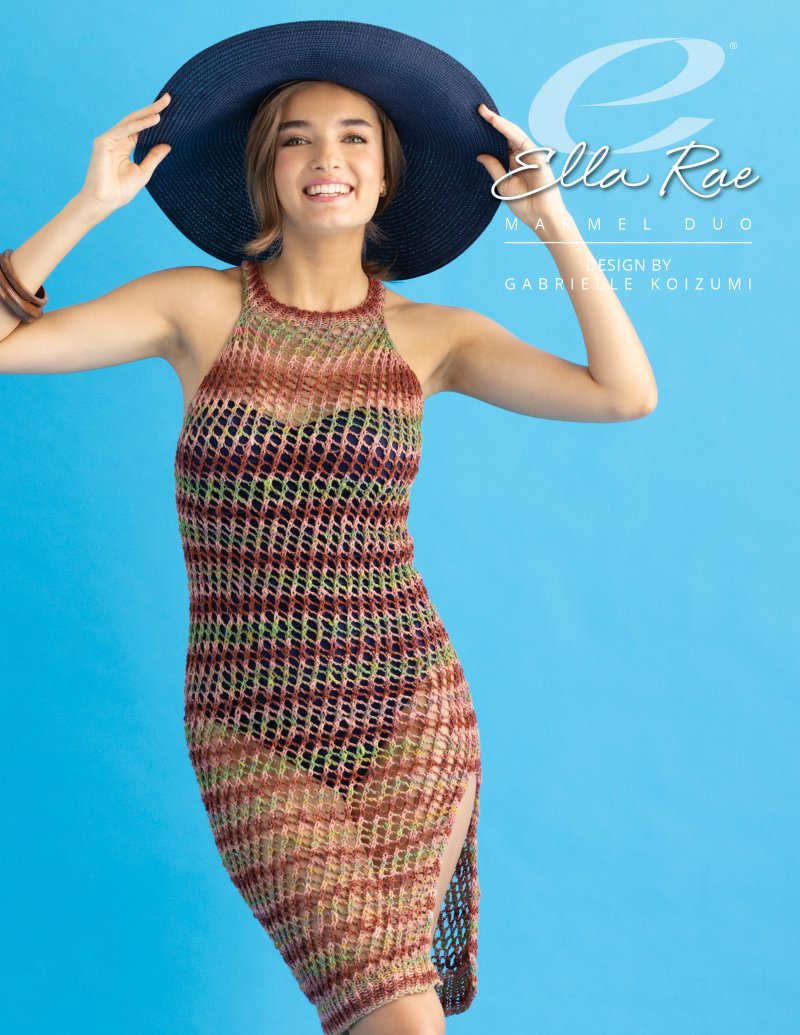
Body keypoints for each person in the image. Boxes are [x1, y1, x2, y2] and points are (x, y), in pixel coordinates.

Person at [0, 21, 657, 1035]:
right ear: (265, 170)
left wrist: (552, 222)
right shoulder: (191, 308)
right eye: (295, 137)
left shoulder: (432, 336)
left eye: (355, 137)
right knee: (394, 1014)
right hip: (246, 725)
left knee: (389, 1017)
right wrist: (87, 207)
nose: (326, 157)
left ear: (386, 176)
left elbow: (623, 394)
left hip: (410, 712)